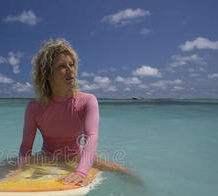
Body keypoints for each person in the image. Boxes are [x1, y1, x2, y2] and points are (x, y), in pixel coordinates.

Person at [18, 39, 138, 186]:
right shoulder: (34, 107)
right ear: (47, 74)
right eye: (62, 66)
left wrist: (81, 172)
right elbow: (26, 147)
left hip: (77, 158)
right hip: (46, 158)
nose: (70, 70)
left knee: (125, 172)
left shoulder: (87, 101)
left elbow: (91, 138)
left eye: (72, 64)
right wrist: (20, 168)